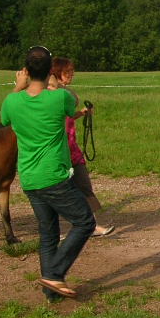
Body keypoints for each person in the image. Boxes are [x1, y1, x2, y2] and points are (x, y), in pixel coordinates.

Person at [1, 46, 95, 300]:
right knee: (85, 221)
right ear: (49, 71)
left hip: (30, 178)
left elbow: (4, 118)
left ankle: (51, 291)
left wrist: (18, 87)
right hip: (54, 176)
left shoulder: (12, 101)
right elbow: (71, 103)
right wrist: (52, 83)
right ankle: (54, 274)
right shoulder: (58, 99)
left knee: (48, 233)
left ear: (26, 71)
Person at [48, 57, 115, 237]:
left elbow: (68, 114)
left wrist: (81, 113)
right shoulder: (53, 93)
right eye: (67, 72)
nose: (71, 75)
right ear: (57, 73)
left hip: (71, 146)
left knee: (82, 183)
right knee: (61, 188)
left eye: (72, 72)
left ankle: (90, 225)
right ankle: (62, 228)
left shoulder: (61, 91)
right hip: (59, 148)